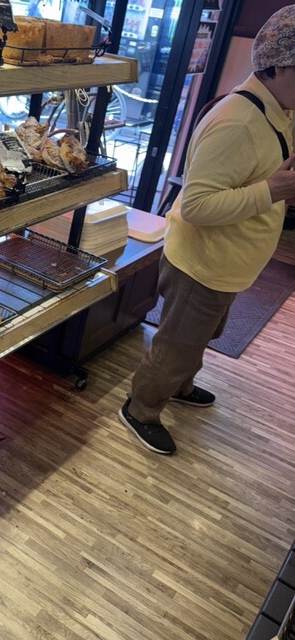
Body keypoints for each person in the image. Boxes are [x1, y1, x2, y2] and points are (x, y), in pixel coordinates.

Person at [118, 5, 295, 455]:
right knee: (175, 346)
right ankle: (141, 409)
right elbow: (196, 205)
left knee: (201, 336)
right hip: (203, 264)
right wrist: (271, 190)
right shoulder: (238, 122)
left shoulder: (277, 109)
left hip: (226, 262)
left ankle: (179, 385)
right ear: (277, 65)